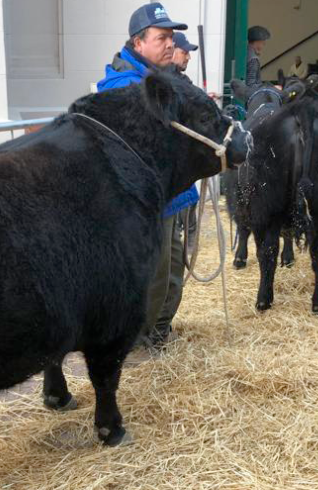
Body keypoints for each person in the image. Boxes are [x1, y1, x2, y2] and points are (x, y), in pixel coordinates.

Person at [97, 3, 197, 349]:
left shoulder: (160, 79)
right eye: (162, 37)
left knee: (170, 272)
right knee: (154, 273)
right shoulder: (125, 87)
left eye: (171, 37)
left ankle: (157, 332)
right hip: (147, 202)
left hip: (169, 196)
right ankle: (140, 341)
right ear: (138, 43)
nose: (170, 44)